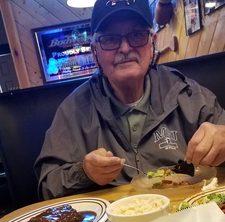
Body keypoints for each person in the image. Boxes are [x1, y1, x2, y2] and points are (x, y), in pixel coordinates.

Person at [35, 0, 225, 200]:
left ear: (153, 42)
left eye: (137, 35)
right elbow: (48, 185)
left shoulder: (186, 93)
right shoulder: (73, 110)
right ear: (94, 52)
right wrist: (84, 172)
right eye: (110, 39)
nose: (125, 48)